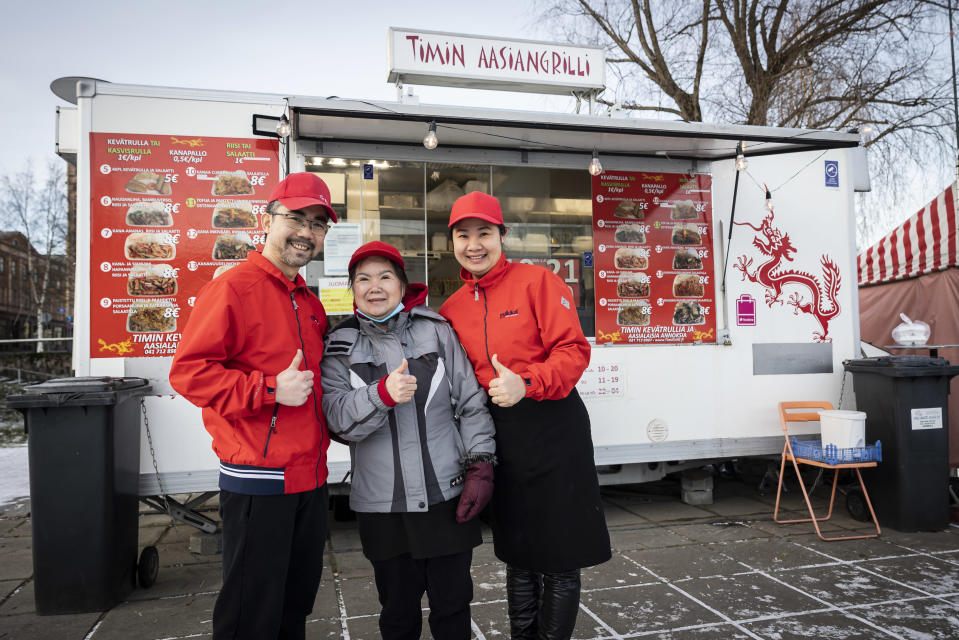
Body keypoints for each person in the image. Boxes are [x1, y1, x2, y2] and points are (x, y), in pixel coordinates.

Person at [169, 172, 336, 640]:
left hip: (312, 477)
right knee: (251, 613)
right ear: (268, 219)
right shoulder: (232, 289)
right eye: (296, 218)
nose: (306, 232)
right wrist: (267, 390)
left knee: (294, 604)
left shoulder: (308, 301)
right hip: (259, 480)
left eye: (318, 224)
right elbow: (188, 372)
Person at [439, 191, 611, 640]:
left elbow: (574, 351)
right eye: (463, 235)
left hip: (554, 428)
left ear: (502, 236)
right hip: (501, 436)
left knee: (558, 555)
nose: (474, 244)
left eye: (484, 233)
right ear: (451, 242)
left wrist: (527, 382)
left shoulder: (538, 282)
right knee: (517, 551)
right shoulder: (451, 309)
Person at [321, 241, 496, 640]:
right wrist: (381, 394)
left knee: (453, 607)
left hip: (446, 496)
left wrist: (481, 463)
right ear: (353, 289)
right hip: (383, 506)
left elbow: (471, 403)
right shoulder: (340, 348)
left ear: (402, 286)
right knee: (397, 614)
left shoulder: (435, 331)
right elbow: (338, 421)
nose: (374, 287)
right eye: (363, 279)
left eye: (385, 276)